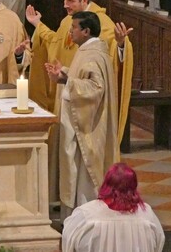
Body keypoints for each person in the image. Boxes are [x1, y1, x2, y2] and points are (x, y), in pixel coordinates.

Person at [45, 11, 119, 222]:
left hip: (87, 128)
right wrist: (65, 74)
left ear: (86, 31)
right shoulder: (88, 50)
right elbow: (83, 78)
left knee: (83, 177)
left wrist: (66, 81)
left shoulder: (94, 54)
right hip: (78, 120)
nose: (71, 31)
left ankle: (83, 220)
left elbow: (96, 88)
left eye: (74, 28)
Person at [61, 163, 164, 252]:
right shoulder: (146, 214)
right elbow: (159, 243)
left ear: (106, 184)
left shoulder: (86, 214)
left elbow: (68, 241)